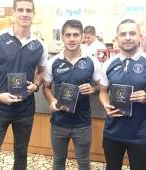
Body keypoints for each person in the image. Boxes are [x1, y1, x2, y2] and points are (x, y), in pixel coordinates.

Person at [0, 0, 47, 169]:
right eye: (21, 10)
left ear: (33, 14)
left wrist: (36, 86)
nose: (25, 13)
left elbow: (41, 72)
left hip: (25, 110)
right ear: (14, 12)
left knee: (21, 154)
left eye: (28, 10)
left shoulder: (40, 45)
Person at [99, 19, 146, 170]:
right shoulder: (108, 64)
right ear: (117, 39)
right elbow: (103, 92)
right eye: (123, 34)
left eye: (132, 33)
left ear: (140, 37)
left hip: (140, 134)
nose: (128, 37)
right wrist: (106, 105)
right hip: (112, 131)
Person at [43, 19, 101, 170]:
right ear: (62, 37)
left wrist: (93, 89)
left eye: (76, 35)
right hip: (59, 122)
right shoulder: (53, 62)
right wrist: (51, 100)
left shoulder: (92, 62)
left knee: (83, 162)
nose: (72, 39)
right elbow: (46, 87)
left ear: (82, 37)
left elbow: (103, 87)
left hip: (82, 123)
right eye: (68, 35)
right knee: (58, 161)